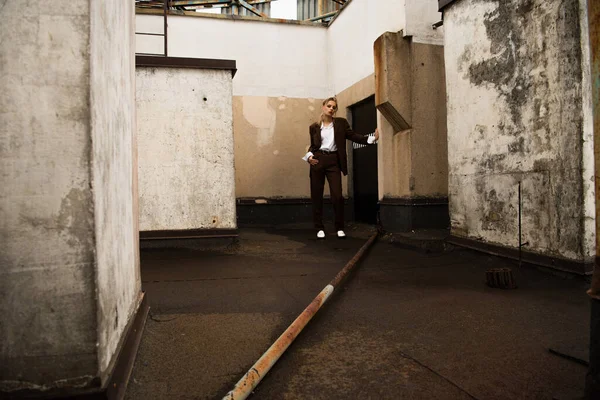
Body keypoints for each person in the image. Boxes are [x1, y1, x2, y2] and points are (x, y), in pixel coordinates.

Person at [302, 97, 379, 239]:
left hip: (333, 161)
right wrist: (309, 157)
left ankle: (339, 227)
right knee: (317, 195)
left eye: (334, 107)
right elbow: (313, 146)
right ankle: (319, 227)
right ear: (323, 106)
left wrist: (371, 138)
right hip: (317, 161)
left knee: (337, 195)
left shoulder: (341, 123)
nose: (331, 109)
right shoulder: (314, 127)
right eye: (329, 106)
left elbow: (353, 136)